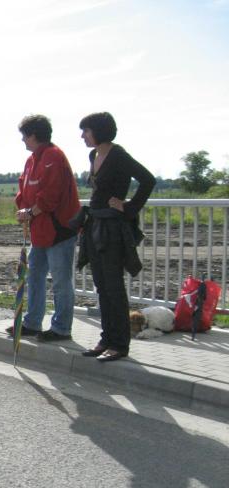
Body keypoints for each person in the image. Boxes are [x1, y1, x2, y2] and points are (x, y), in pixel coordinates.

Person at [77, 112, 155, 362]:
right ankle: (106, 339)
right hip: (95, 224)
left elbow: (148, 180)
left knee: (113, 287)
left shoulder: (118, 154)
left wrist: (128, 207)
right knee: (101, 285)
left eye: (86, 131)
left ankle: (120, 344)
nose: (82, 136)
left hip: (112, 228)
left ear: (99, 131)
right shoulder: (93, 155)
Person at [7, 115, 81, 342]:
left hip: (60, 230)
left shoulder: (54, 157)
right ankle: (32, 322)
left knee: (60, 280)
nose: (23, 140)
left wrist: (30, 212)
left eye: (24, 136)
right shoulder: (31, 161)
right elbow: (24, 190)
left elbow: (51, 195)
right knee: (34, 276)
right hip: (40, 231)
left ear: (34, 135)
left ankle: (62, 328)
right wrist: (23, 210)